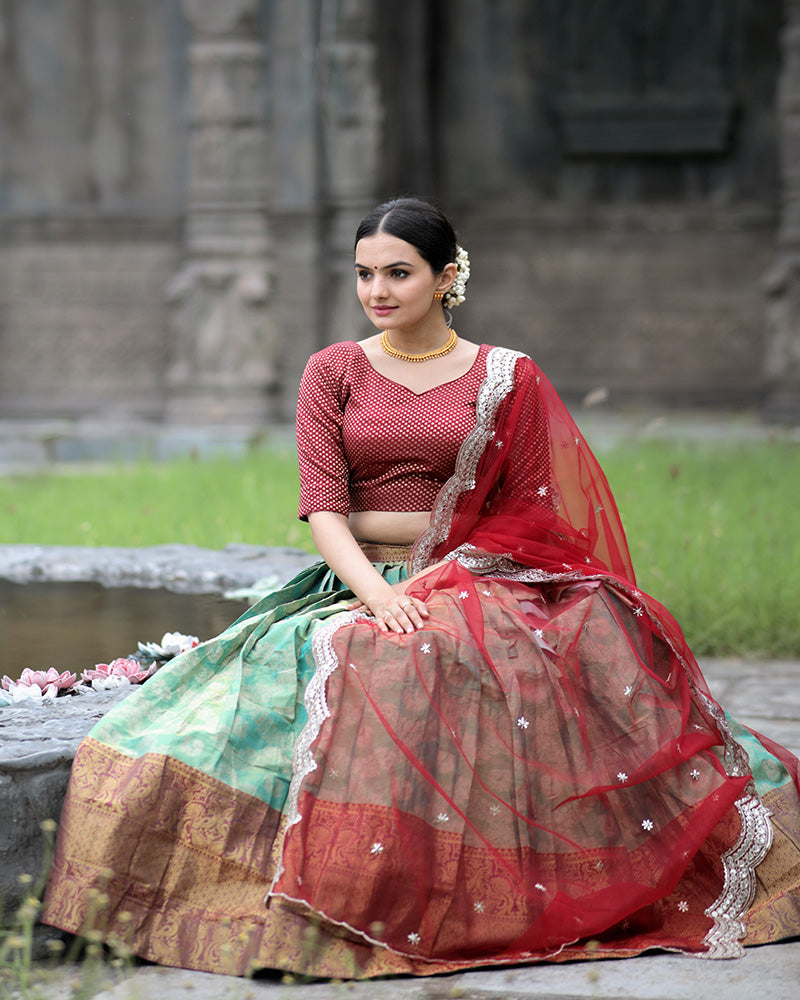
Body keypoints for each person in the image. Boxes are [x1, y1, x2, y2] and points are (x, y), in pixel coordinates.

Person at [43, 197, 800, 979]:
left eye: (398, 273)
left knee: (478, 653)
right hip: (360, 578)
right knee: (301, 670)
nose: (377, 290)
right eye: (365, 273)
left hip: (480, 572)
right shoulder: (332, 370)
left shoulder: (507, 376)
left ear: (447, 277)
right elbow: (325, 509)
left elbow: (530, 512)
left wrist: (452, 575)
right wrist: (377, 591)